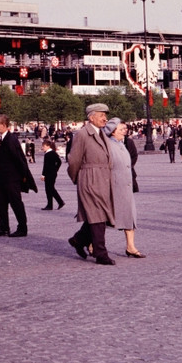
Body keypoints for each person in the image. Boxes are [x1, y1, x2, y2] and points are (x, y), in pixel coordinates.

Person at [66, 103, 116, 265]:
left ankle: (78, 240)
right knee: (98, 216)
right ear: (91, 117)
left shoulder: (101, 133)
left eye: (105, 115)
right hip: (90, 179)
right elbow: (73, 160)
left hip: (102, 179)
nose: (105, 118)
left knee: (97, 215)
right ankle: (101, 253)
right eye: (102, 115)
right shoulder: (82, 134)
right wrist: (78, 178)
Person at [0, 114, 35, 238]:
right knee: (1, 204)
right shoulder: (6, 138)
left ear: (4, 125)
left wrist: (23, 176)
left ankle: (22, 228)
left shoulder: (10, 139)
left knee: (16, 203)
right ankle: (4, 227)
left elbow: (19, 159)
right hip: (5, 179)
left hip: (12, 179)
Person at [104, 118, 144, 258]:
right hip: (114, 186)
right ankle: (91, 243)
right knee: (106, 218)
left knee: (130, 216)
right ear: (113, 132)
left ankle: (130, 246)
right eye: (122, 129)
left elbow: (131, 159)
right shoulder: (108, 145)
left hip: (126, 185)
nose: (125, 131)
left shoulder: (122, 143)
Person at [39, 139, 65, 210]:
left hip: (49, 174)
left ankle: (55, 203)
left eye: (43, 146)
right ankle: (55, 203)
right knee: (50, 189)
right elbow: (59, 162)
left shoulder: (48, 154)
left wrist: (43, 175)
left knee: (49, 189)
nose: (42, 148)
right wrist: (55, 170)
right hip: (52, 173)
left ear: (48, 146)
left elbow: (45, 166)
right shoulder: (53, 153)